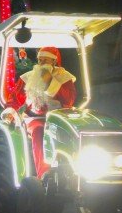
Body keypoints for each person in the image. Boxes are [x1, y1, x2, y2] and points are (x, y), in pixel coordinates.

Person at [10, 46, 76, 178]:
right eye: (39, 60)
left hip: (58, 118)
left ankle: (73, 172)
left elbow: (69, 100)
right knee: (40, 132)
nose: (41, 64)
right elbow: (15, 99)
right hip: (35, 118)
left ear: (54, 61)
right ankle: (44, 174)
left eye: (45, 60)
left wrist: (51, 82)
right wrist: (10, 110)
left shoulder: (64, 77)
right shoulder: (28, 77)